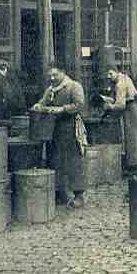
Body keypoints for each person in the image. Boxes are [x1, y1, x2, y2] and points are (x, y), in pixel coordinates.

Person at [32, 65, 88, 209]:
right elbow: (43, 102)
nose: (52, 78)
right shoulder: (50, 89)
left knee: (73, 161)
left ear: (63, 73)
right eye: (50, 75)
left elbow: (80, 104)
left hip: (70, 129)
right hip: (54, 129)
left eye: (55, 75)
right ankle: (60, 194)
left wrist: (62, 109)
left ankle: (79, 196)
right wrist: (38, 105)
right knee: (55, 160)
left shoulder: (74, 86)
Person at [101, 66, 137, 176]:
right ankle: (131, 165)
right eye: (107, 75)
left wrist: (109, 107)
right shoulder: (123, 77)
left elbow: (121, 104)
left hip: (129, 109)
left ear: (116, 72)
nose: (109, 77)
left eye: (110, 74)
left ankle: (132, 168)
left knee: (130, 138)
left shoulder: (120, 84)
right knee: (130, 138)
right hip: (131, 107)